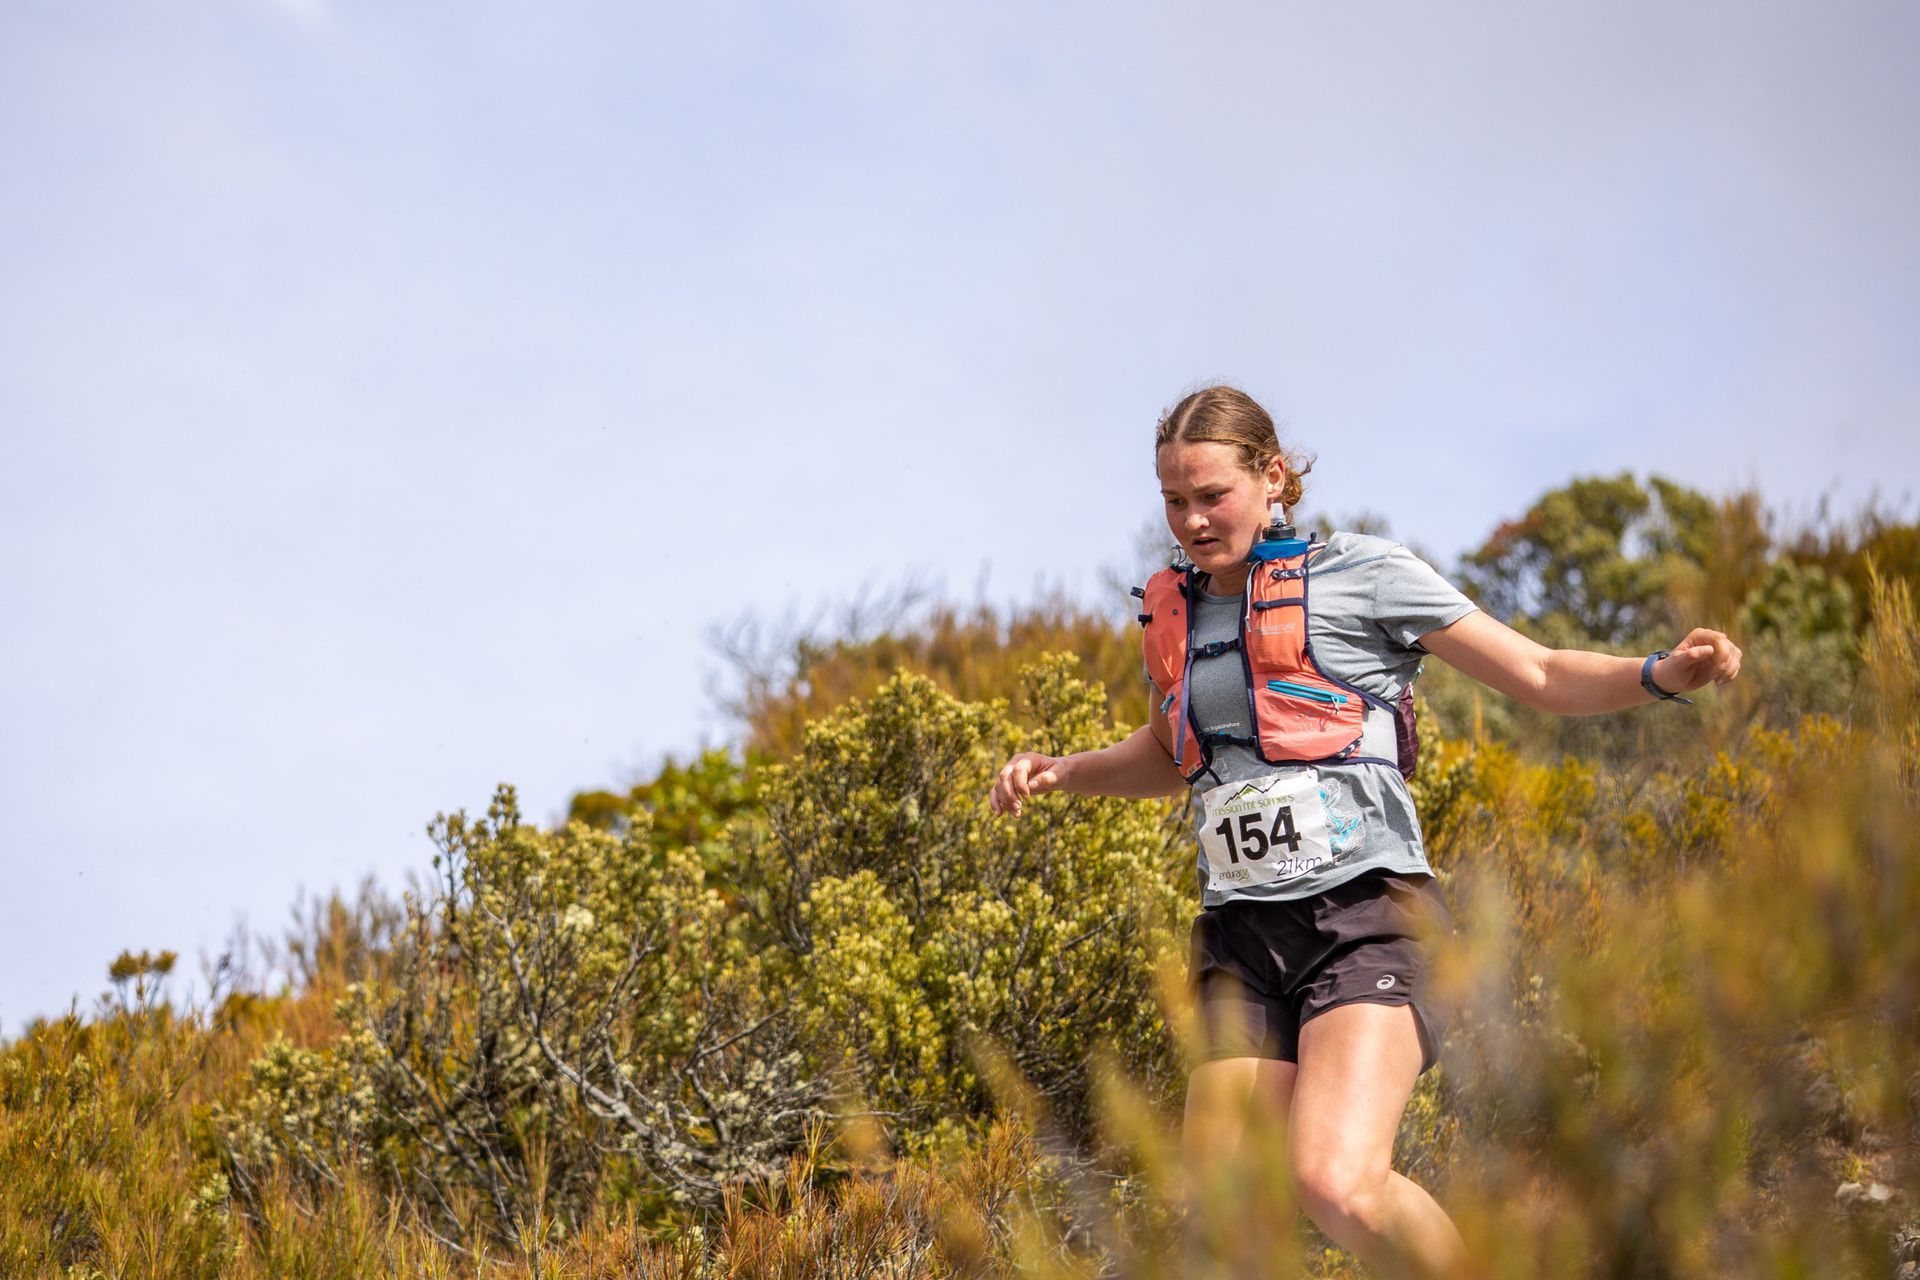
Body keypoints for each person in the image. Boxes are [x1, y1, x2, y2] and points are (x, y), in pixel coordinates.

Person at [985, 385, 1742, 1278]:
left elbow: (1537, 673)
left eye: (1212, 495)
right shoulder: (1172, 613)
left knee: (1336, 1183)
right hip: (1239, 935)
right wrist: (1064, 771)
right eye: (1174, 500)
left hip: (1367, 917)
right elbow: (1173, 752)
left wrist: (1657, 673)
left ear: (1273, 478)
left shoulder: (1364, 574)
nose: (1192, 521)